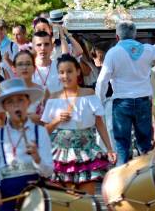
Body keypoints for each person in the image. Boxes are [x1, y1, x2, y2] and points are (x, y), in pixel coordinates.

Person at [95, 20, 155, 165]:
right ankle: (146, 180)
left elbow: (102, 81)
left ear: (117, 37)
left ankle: (123, 184)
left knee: (122, 146)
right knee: (144, 145)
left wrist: (98, 103)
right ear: (135, 35)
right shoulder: (146, 49)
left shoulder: (113, 53)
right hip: (143, 101)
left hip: (122, 103)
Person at [42, 54, 116, 194]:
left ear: (78, 71)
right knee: (66, 200)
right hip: (62, 155)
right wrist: (57, 120)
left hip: (86, 152)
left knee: (87, 199)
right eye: (61, 72)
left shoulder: (88, 93)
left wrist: (109, 148)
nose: (66, 76)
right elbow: (44, 131)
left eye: (69, 71)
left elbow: (99, 123)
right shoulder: (53, 98)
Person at [0, 79, 53, 211]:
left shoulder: (40, 132)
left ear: (28, 102)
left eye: (20, 100)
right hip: (7, 193)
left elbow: (49, 170)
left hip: (35, 195)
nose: (16, 106)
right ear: (4, 107)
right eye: (10, 102)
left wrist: (37, 158)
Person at [10, 50, 46, 125]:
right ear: (14, 68)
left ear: (34, 68)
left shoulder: (43, 91)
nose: (24, 67)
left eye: (28, 64)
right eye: (20, 64)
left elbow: (49, 119)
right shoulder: (7, 91)